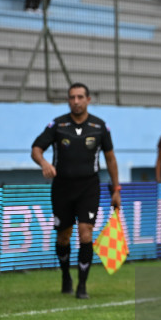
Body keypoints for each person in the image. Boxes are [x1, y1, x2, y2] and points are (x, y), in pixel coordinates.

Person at [31, 83, 120, 299]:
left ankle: (82, 285)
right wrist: (43, 163)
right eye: (72, 97)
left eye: (80, 97)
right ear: (68, 100)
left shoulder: (100, 127)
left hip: (89, 186)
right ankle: (65, 276)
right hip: (62, 187)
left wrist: (116, 189)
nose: (76, 101)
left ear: (88, 99)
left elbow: (110, 158)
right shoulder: (58, 125)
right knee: (63, 237)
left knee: (85, 232)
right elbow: (36, 149)